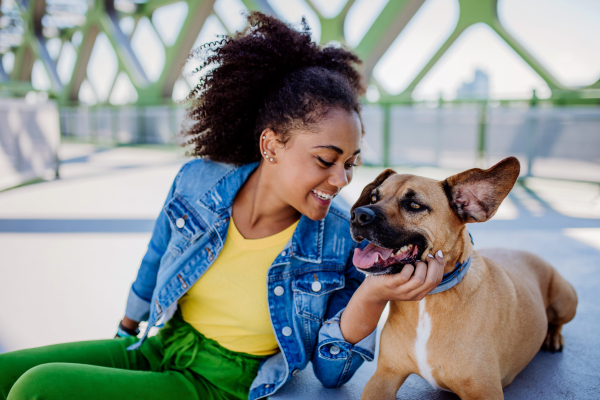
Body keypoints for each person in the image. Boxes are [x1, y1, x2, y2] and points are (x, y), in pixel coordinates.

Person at [0, 12, 445, 400]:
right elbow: (156, 256)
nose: (342, 179)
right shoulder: (198, 181)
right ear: (271, 144)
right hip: (164, 344)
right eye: (326, 160)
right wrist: (127, 330)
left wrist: (371, 295)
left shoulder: (338, 239)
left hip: (222, 384)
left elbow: (331, 375)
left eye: (350, 164)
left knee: (38, 388)